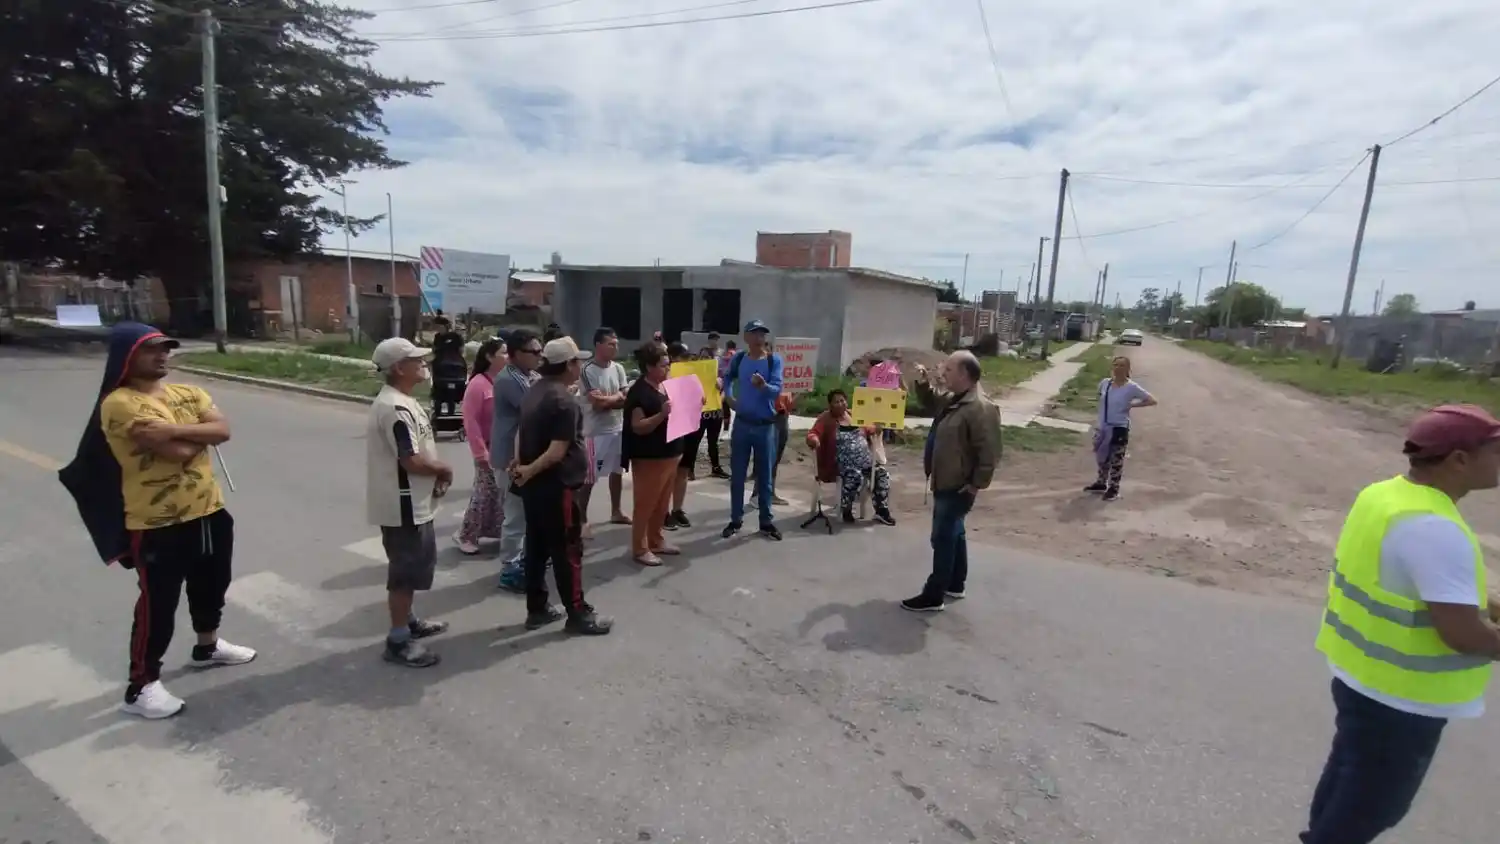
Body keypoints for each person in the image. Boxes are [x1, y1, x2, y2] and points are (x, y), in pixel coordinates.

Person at [1298, 404, 1500, 844]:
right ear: (1459, 460)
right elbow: (1463, 634)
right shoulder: (1435, 527)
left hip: (1360, 676)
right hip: (1402, 700)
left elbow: (1412, 577)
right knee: (1369, 809)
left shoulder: (1384, 496)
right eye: (1496, 451)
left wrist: (1484, 604)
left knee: (1348, 782)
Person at [58, 322, 256, 719]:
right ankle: (141, 686)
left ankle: (207, 646)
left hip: (209, 510)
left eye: (166, 348)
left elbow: (223, 430)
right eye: (152, 349)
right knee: (158, 604)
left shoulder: (189, 392)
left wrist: (177, 430)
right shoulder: (119, 404)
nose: (163, 355)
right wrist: (199, 434)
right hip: (157, 522)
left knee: (212, 583)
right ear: (126, 356)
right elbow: (177, 453)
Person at [510, 335, 613, 635]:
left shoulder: (534, 391)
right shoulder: (564, 401)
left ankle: (537, 608)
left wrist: (521, 467)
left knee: (536, 547)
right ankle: (577, 612)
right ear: (568, 365)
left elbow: (521, 433)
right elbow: (557, 451)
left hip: (535, 486)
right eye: (577, 361)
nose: (579, 366)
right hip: (558, 485)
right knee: (567, 551)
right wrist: (527, 470)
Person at [366, 338, 453, 668]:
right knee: (404, 572)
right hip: (403, 504)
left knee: (413, 567)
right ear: (399, 368)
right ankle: (398, 640)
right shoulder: (395, 408)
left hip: (413, 500)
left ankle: (409, 621)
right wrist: (442, 469)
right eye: (416, 360)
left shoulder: (402, 401)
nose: (423, 364)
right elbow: (411, 460)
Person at [902, 351, 1000, 613]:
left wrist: (976, 484)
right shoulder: (956, 400)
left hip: (958, 484)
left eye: (948, 370)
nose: (943, 374)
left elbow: (989, 451)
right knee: (955, 533)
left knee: (943, 538)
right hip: (947, 479)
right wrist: (923, 382)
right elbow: (932, 403)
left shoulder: (980, 407)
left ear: (964, 374)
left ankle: (933, 595)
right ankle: (956, 583)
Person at [622, 343, 685, 565]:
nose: (668, 368)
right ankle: (640, 548)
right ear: (649, 367)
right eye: (663, 365)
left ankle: (656, 540)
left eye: (668, 364)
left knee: (661, 503)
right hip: (649, 457)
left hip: (670, 453)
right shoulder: (639, 392)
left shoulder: (665, 385)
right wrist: (661, 415)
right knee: (646, 503)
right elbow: (638, 426)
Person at [491, 329, 543, 592]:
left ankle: (522, 560)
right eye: (533, 352)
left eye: (540, 351)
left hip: (525, 454)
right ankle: (509, 569)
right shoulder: (509, 379)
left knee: (527, 514)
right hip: (509, 457)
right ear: (515, 354)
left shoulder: (530, 375)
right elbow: (536, 408)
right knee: (515, 516)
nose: (539, 356)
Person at [721, 320, 783, 541]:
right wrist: (729, 396)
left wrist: (764, 386)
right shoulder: (739, 359)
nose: (759, 338)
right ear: (746, 337)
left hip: (765, 426)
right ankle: (735, 519)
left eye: (762, 334)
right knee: (737, 475)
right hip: (742, 424)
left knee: (765, 476)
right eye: (755, 334)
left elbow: (776, 390)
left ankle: (766, 521)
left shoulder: (773, 360)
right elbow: (727, 377)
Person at [806, 389, 895, 525]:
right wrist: (814, 439)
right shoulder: (825, 419)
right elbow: (813, 433)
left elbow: (869, 428)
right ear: (830, 405)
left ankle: (881, 511)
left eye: (842, 400)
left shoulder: (855, 414)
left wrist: (876, 428)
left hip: (865, 461)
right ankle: (846, 508)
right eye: (836, 402)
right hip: (840, 464)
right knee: (855, 475)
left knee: (882, 474)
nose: (840, 404)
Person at [455, 337, 506, 555]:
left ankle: (496, 530)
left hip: (503, 446)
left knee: (501, 493)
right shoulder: (477, 384)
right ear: (489, 357)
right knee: (483, 493)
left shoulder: (503, 381)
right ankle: (466, 535)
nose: (508, 357)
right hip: (486, 448)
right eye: (503, 353)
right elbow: (471, 421)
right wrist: (480, 453)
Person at [579, 327, 630, 536]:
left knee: (617, 471)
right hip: (595, 431)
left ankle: (616, 511)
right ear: (598, 345)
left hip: (617, 427)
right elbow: (597, 404)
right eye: (611, 344)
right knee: (589, 477)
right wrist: (616, 398)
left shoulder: (618, 368)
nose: (615, 347)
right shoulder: (587, 370)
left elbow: (626, 397)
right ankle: (581, 519)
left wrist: (611, 400)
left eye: (616, 344)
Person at [1086, 355, 1157, 502]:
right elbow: (1099, 397)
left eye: (1122, 366)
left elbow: (1152, 400)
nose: (1118, 368)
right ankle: (1101, 483)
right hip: (1103, 426)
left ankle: (1113, 488)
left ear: (1128, 369)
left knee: (1116, 459)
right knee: (1102, 456)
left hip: (1119, 427)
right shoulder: (1105, 383)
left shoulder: (1131, 387)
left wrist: (1132, 405)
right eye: (1116, 365)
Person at [666, 343, 706, 529]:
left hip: (689, 427)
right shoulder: (664, 376)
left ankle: (677, 509)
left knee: (683, 470)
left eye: (688, 357)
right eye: (683, 357)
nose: (687, 360)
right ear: (672, 358)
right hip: (671, 428)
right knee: (668, 472)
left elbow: (704, 397)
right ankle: (662, 511)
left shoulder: (693, 376)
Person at [751, 391, 794, 507]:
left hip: (782, 417)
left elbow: (789, 403)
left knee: (775, 458)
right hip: (768, 415)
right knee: (767, 457)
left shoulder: (787, 383)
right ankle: (757, 494)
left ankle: (770, 493)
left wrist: (803, 391)